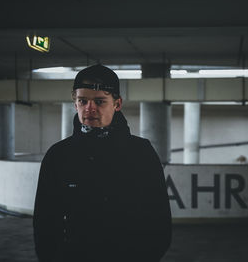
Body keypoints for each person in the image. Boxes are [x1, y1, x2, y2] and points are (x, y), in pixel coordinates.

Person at [33, 64, 172, 262]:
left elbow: (159, 220)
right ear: (75, 103)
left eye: (99, 101)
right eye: (83, 101)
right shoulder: (58, 156)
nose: (89, 109)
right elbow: (45, 223)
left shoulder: (141, 153)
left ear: (117, 104)